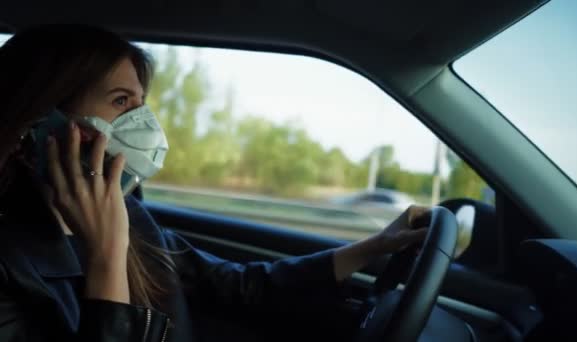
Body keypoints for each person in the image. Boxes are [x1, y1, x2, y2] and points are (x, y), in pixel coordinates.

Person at [0, 24, 429, 341]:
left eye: (140, 104)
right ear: (40, 125)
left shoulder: (135, 218)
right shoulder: (9, 265)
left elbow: (242, 285)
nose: (144, 124)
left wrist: (376, 245)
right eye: (120, 102)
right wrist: (106, 257)